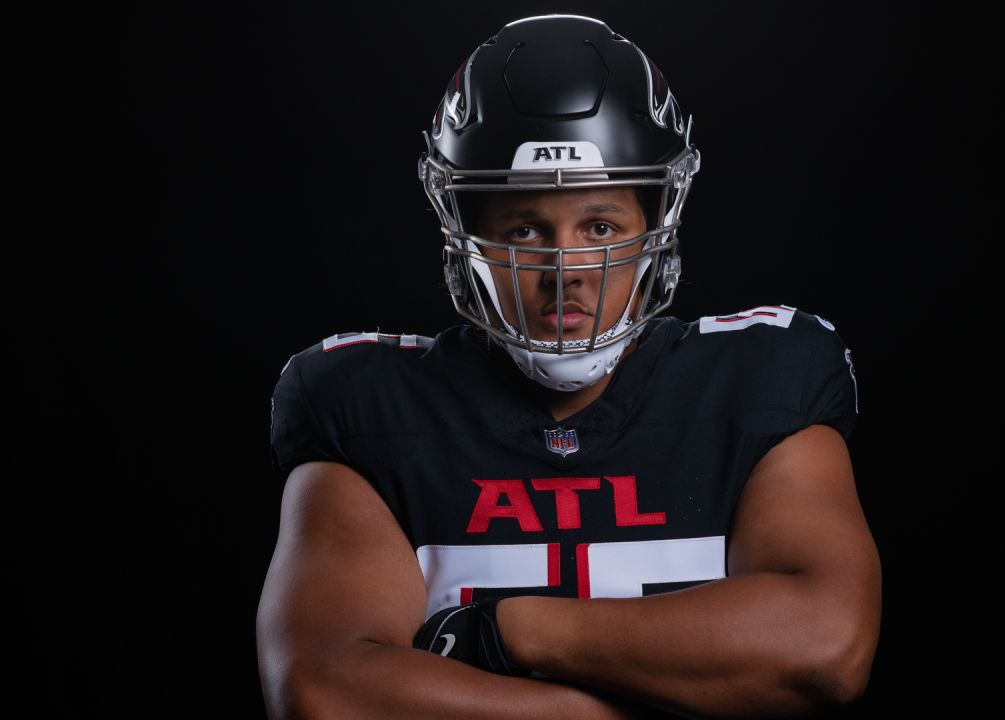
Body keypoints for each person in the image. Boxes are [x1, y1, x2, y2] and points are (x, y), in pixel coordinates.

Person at [257, 14, 880, 719]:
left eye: (601, 227)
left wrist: (508, 633)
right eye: (523, 229)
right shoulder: (361, 406)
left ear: (657, 227)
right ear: (466, 236)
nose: (565, 269)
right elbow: (328, 691)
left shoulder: (762, 378)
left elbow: (824, 644)